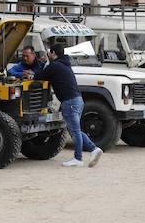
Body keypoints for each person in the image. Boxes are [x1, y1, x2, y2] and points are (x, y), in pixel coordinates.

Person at [38, 40, 101, 168]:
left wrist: (44, 62)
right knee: (75, 130)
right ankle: (94, 149)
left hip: (69, 102)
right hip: (78, 100)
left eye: (49, 53)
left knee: (75, 131)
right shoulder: (65, 64)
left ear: (53, 53)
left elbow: (39, 76)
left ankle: (78, 158)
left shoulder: (54, 66)